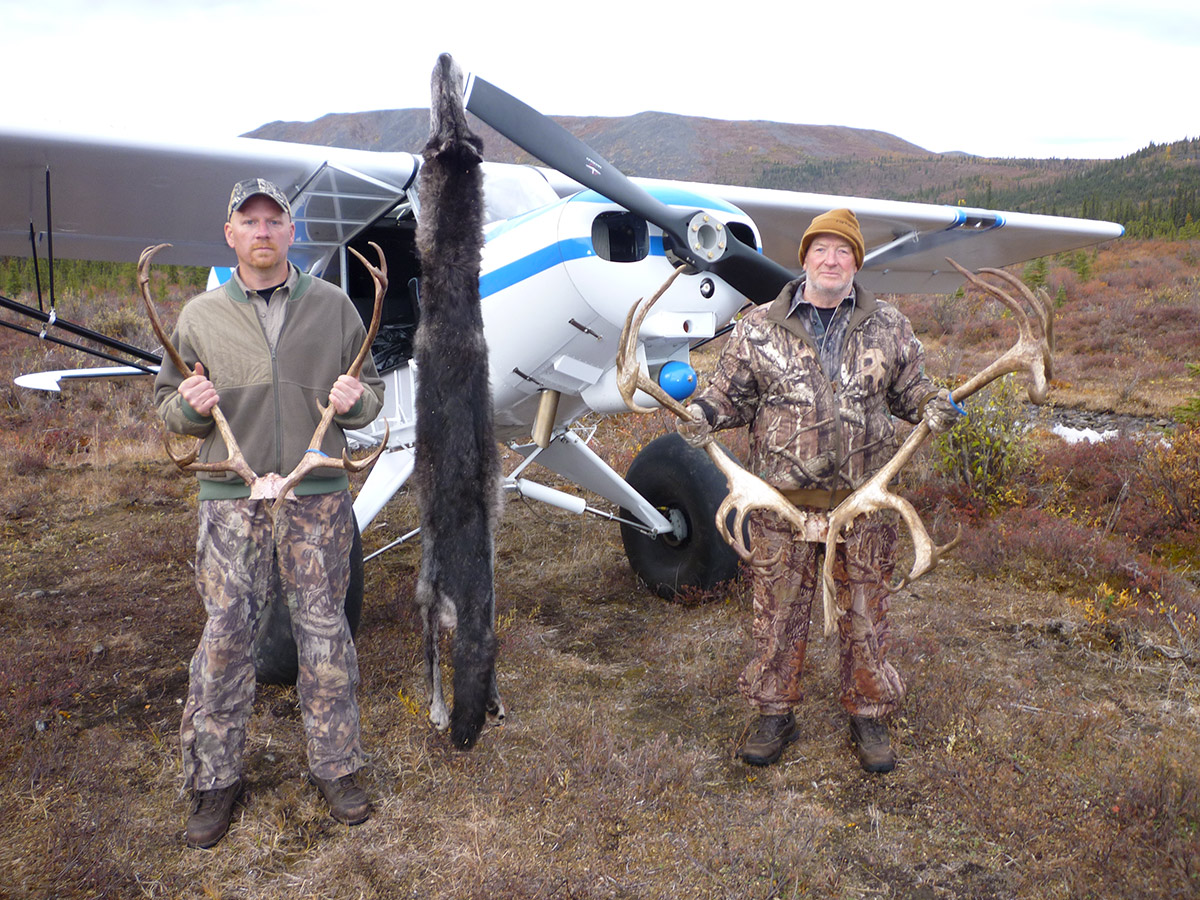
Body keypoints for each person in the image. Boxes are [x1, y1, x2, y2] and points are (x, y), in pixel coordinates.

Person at [678, 208, 961, 773]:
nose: (831, 261)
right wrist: (702, 413)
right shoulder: (759, 325)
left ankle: (870, 715)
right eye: (821, 250)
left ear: (856, 262)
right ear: (804, 259)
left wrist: (934, 403)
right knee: (777, 616)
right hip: (781, 507)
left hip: (861, 509)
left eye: (843, 252)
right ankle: (773, 711)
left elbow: (911, 392)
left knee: (865, 615)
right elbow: (729, 394)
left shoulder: (888, 325)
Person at [154, 178, 386, 847]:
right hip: (235, 502)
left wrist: (356, 401)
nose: (262, 231)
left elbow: (369, 399)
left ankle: (337, 767)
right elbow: (169, 409)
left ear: (292, 232)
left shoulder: (336, 307)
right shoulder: (200, 316)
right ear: (229, 234)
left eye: (274, 219)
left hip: (316, 495)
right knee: (226, 638)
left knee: (324, 633)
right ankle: (214, 782)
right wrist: (189, 406)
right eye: (248, 221)